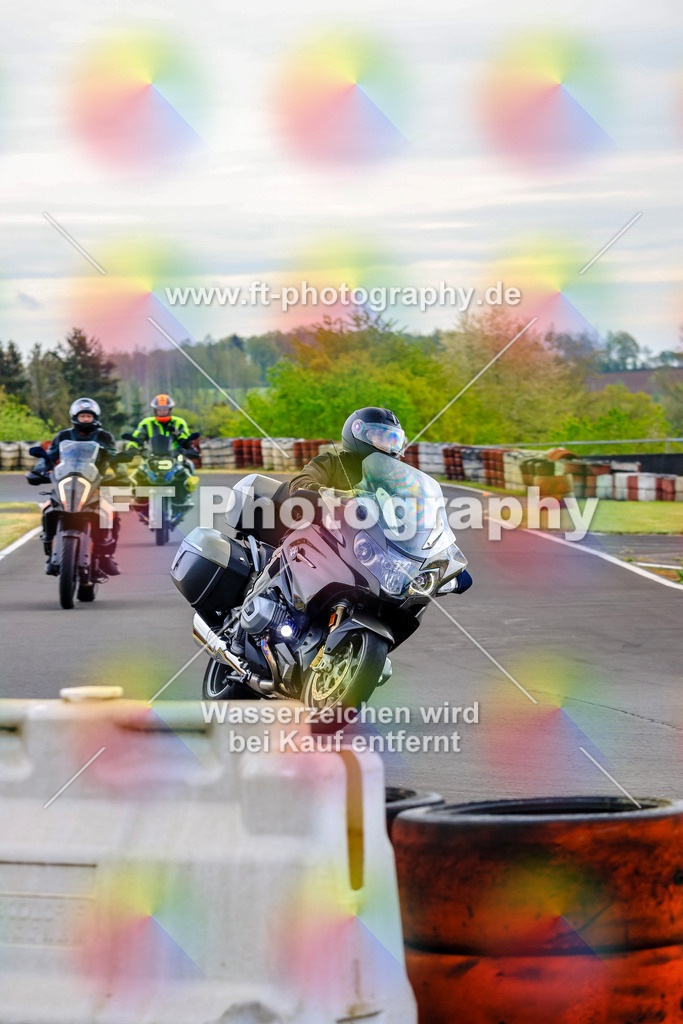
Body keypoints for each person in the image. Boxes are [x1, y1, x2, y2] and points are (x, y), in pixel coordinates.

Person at [28, 397, 122, 578]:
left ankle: (105, 556)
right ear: (74, 417)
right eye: (82, 416)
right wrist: (39, 471)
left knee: (113, 514)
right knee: (48, 508)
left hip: (96, 484)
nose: (85, 419)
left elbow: (115, 458)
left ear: (95, 417)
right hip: (66, 482)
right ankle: (50, 549)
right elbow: (49, 456)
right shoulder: (63, 436)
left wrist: (121, 474)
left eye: (88, 416)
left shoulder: (104, 436)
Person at [289, 407, 406, 495]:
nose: (388, 446)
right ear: (359, 434)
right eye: (381, 438)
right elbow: (299, 484)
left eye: (392, 440)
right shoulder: (331, 463)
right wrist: (339, 496)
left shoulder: (391, 478)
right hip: (328, 525)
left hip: (371, 527)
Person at [126, 394, 199, 510]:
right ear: (155, 410)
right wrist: (132, 448)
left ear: (170, 410)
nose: (162, 412)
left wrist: (188, 448)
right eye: (160, 409)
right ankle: (137, 496)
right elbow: (138, 437)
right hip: (151, 456)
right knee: (137, 472)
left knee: (188, 466)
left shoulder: (179, 422)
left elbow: (184, 437)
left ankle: (186, 494)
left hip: (174, 456)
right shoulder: (146, 423)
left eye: (165, 409)